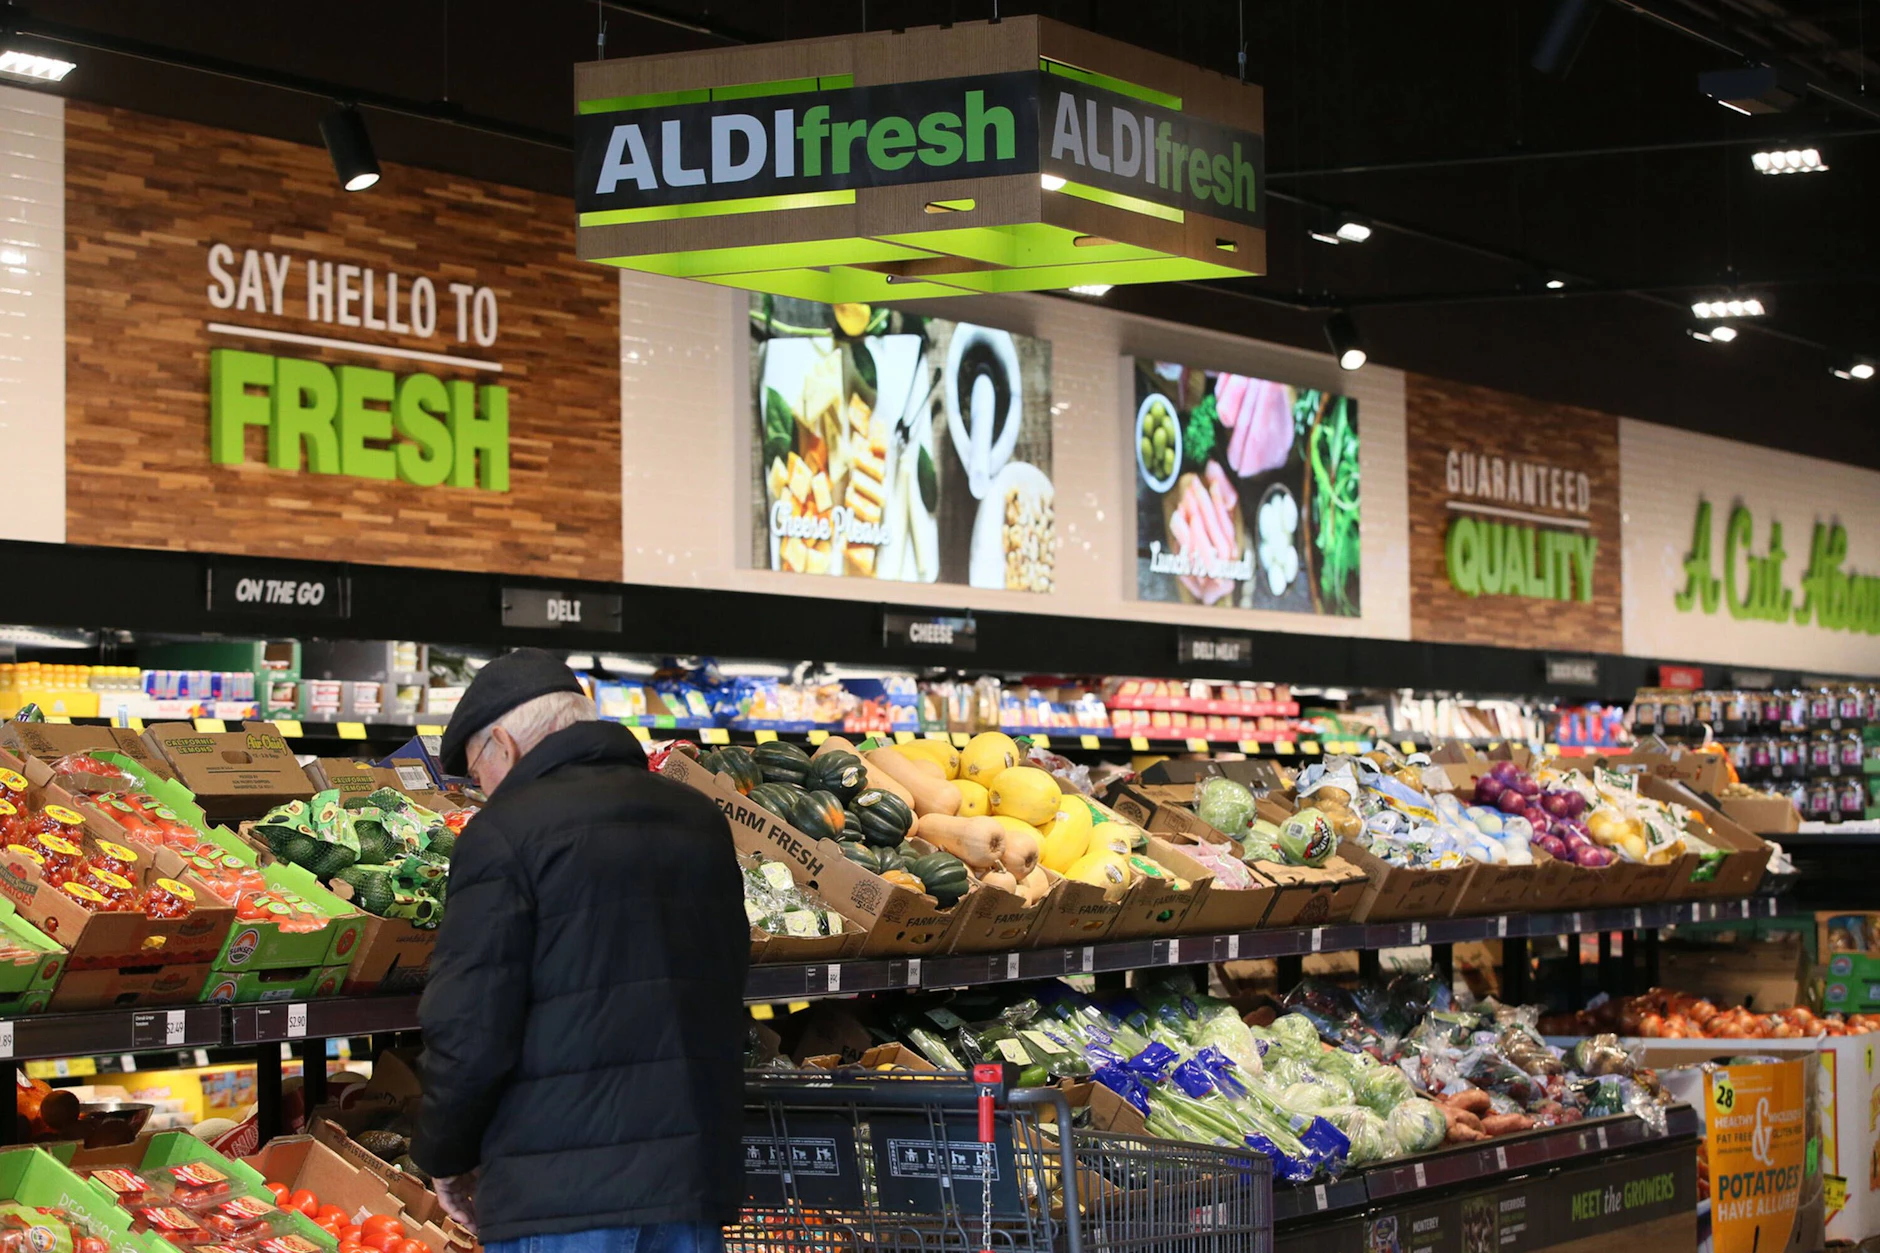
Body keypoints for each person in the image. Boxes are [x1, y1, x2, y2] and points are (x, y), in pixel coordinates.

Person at [411, 648, 749, 1253]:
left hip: (562, 1200)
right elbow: (728, 982)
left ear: (503, 748)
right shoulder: (697, 818)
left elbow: (470, 1027)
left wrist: (444, 1154)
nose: (480, 789)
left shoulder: (506, 833)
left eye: (474, 770)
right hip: (692, 1186)